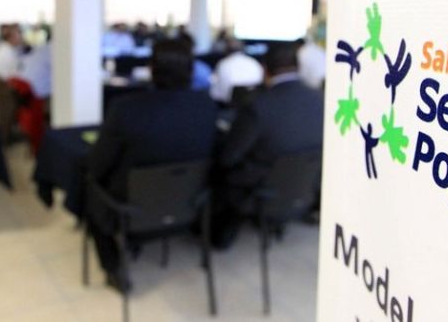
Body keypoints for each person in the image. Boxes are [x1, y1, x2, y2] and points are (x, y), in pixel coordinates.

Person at [86, 40, 218, 292]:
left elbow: (97, 165)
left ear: (151, 68)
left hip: (130, 209)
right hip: (189, 205)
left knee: (90, 191)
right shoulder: (206, 106)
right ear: (192, 70)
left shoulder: (126, 109)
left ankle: (113, 267)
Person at [212, 42, 324, 248]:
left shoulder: (258, 107)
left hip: (260, 190)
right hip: (304, 185)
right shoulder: (320, 99)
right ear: (298, 66)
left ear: (265, 70)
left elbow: (228, 158)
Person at [209, 39, 264, 104]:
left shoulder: (223, 64)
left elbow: (215, 94)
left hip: (227, 106)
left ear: (226, 50)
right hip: (254, 104)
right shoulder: (254, 63)